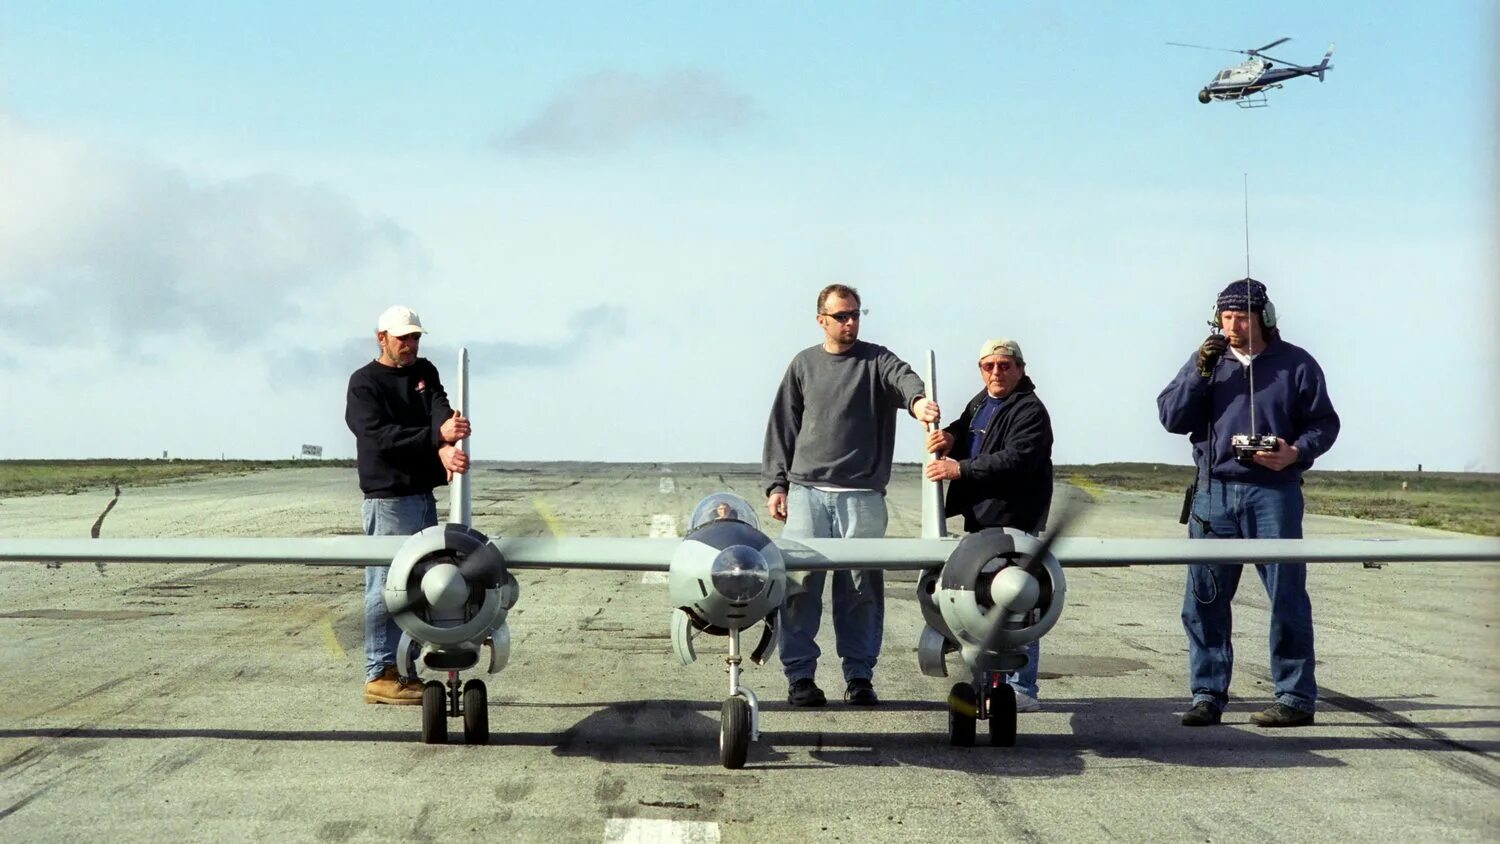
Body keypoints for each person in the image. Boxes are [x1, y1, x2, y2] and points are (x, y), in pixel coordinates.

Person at [1157, 279, 1339, 728]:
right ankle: (1207, 694)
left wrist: (1295, 452)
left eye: (1242, 316)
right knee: (1204, 598)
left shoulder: (1297, 364)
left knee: (1287, 597)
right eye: (1226, 317)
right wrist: (1199, 373)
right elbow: (1170, 417)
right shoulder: (1208, 363)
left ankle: (1295, 698)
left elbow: (1324, 424)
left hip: (1273, 493)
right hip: (1213, 492)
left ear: (1265, 317)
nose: (1233, 325)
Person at [762, 284, 940, 707]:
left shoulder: (876, 360)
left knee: (860, 588)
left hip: (861, 496)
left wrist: (918, 403)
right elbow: (782, 426)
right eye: (842, 316)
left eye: (856, 314)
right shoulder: (803, 365)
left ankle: (859, 676)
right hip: (807, 494)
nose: (851, 323)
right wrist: (777, 484)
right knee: (800, 587)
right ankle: (800, 677)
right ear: (821, 319)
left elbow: (904, 378)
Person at [345, 305, 472, 704]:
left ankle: (405, 668)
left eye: (415, 337)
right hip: (388, 502)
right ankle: (379, 672)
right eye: (403, 338)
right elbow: (380, 437)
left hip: (422, 498)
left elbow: (439, 406)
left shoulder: (424, 371)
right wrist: (438, 438)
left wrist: (446, 445)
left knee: (421, 583)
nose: (410, 345)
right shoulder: (363, 384)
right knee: (386, 587)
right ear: (381, 338)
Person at [924, 338, 1053, 713]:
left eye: (1004, 365)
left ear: (1020, 368)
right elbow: (968, 428)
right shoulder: (982, 400)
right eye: (988, 366)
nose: (996, 372)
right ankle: (988, 677)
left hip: (1015, 524)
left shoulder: (1030, 410)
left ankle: (1021, 687)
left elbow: (1017, 458)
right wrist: (949, 436)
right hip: (982, 521)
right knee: (983, 598)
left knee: (1019, 597)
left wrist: (958, 468)